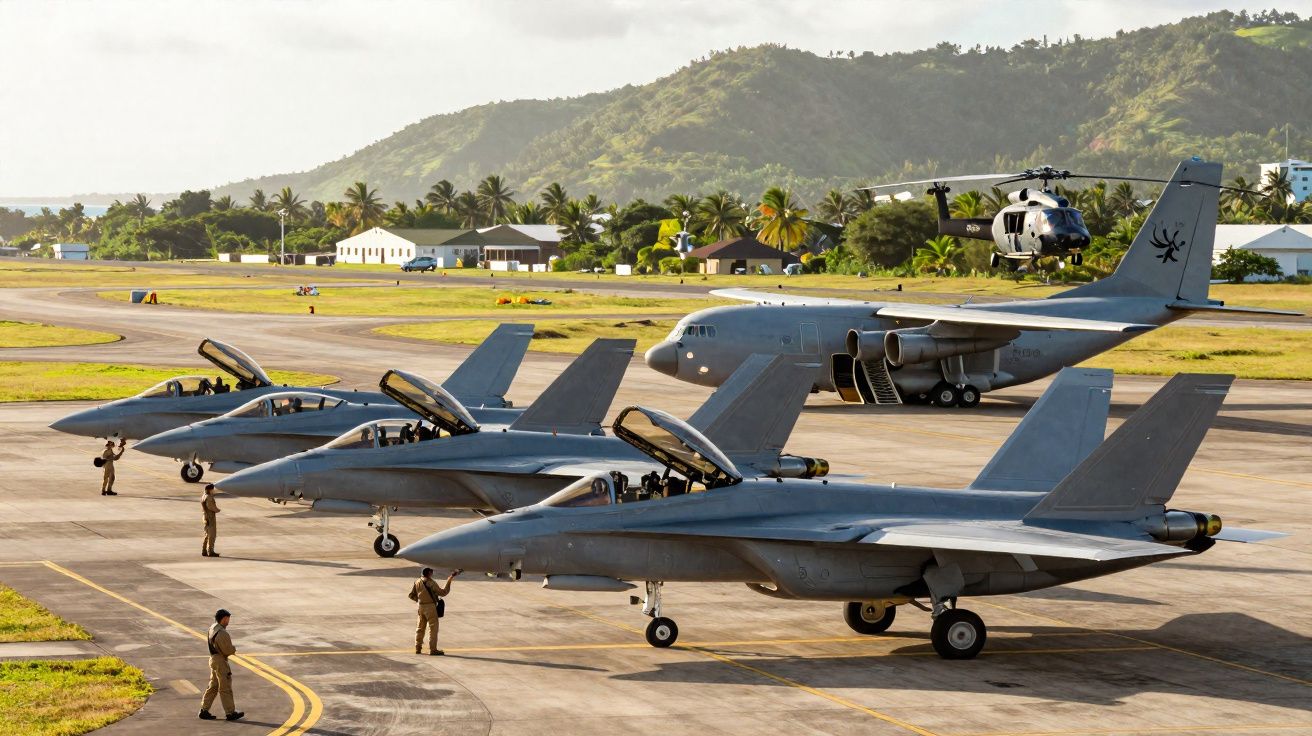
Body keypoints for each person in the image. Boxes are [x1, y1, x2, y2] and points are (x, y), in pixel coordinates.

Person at [199, 608, 244, 721]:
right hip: (220, 661)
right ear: (223, 619)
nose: (228, 621)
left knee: (213, 686)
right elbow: (227, 650)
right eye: (228, 619)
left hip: (213, 659)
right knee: (225, 687)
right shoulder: (222, 633)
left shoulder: (212, 628)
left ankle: (204, 710)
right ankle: (230, 712)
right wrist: (234, 649)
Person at [408, 567, 454, 655]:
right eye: (431, 572)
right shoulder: (431, 583)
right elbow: (443, 592)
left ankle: (418, 648)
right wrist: (449, 579)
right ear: (429, 573)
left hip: (421, 607)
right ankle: (433, 649)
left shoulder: (417, 581)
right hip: (430, 607)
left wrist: (420, 601)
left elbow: (411, 595)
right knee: (433, 628)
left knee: (420, 628)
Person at [201, 485, 220, 557]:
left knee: (207, 534)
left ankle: (204, 550)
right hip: (210, 517)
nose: (213, 490)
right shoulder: (209, 497)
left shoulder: (204, 495)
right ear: (210, 490)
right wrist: (217, 510)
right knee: (212, 535)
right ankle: (210, 551)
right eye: (213, 489)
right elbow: (210, 506)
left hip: (205, 516)